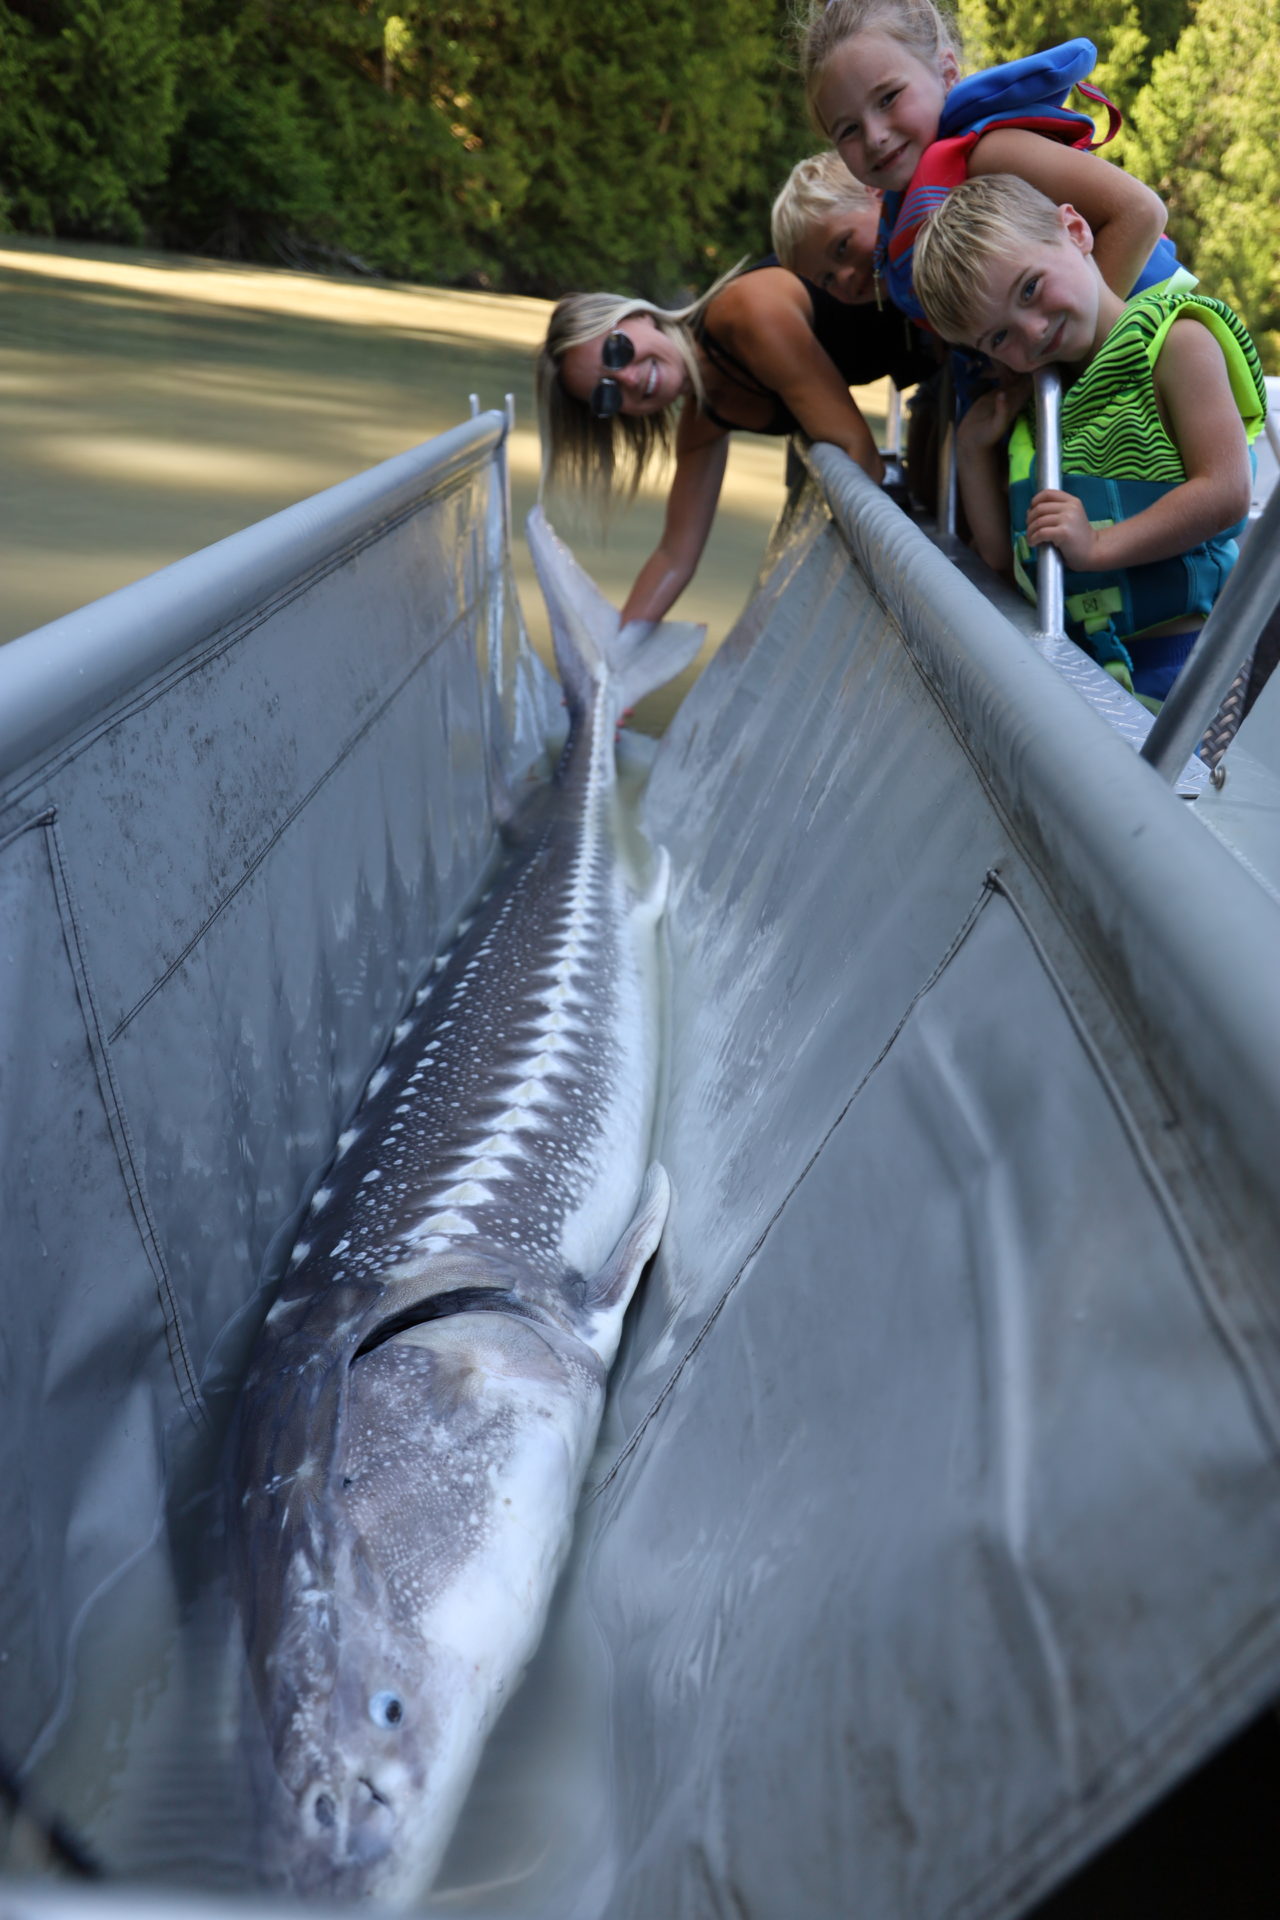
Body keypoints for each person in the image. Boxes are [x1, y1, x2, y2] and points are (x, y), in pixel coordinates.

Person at [910, 173, 1267, 705]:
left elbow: (1225, 491)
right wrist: (972, 449)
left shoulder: (1177, 344)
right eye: (999, 337)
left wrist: (1099, 545)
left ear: (1075, 230)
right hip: (1084, 674)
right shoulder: (1043, 410)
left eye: (1030, 288)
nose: (1032, 332)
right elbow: (1001, 560)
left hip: (1186, 669)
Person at [536, 162, 934, 627]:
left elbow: (857, 449)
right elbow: (674, 556)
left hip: (964, 319)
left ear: (639, 317)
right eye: (605, 395)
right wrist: (609, 665)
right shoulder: (706, 416)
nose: (625, 380)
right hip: (938, 363)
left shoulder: (745, 312)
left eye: (617, 350)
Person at [799, 2, 1181, 330]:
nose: (874, 136)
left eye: (888, 98)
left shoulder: (989, 155)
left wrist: (1077, 359)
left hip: (1161, 349)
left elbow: (1140, 212)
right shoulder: (904, 203)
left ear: (947, 73)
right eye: (848, 129)